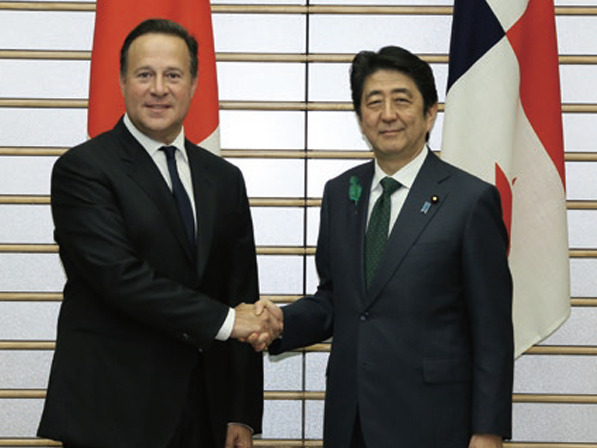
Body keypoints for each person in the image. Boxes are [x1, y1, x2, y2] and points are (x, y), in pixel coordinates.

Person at [37, 18, 281, 448]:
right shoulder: (82, 170)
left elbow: (240, 288)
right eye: (144, 74)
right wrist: (229, 321)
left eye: (173, 75)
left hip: (205, 413)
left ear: (193, 83)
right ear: (122, 81)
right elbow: (119, 277)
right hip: (112, 414)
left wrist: (241, 411)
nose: (158, 89)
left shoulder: (224, 179)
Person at [256, 46, 514, 448]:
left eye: (402, 100)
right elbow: (337, 300)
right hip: (351, 419)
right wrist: (280, 323)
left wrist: (488, 429)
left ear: (430, 113)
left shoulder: (471, 200)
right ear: (361, 118)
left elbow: (492, 328)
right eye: (374, 102)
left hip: (434, 423)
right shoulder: (340, 192)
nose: (388, 114)